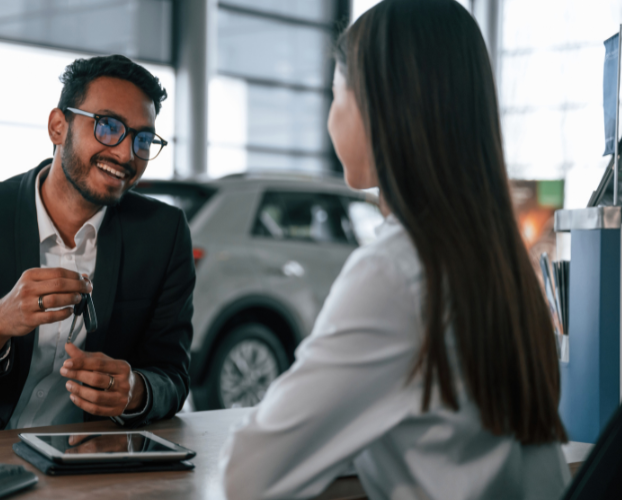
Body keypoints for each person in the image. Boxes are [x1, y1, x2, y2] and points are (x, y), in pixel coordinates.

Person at [219, 1, 570, 498]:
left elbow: (249, 476)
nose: (329, 116)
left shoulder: (396, 271)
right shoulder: (496, 255)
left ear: (380, 108)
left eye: (335, 93)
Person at [0, 55, 195, 438]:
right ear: (58, 127)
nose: (127, 154)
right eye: (109, 127)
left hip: (87, 465)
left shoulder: (163, 233)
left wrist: (134, 391)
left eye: (143, 139)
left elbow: (172, 375)